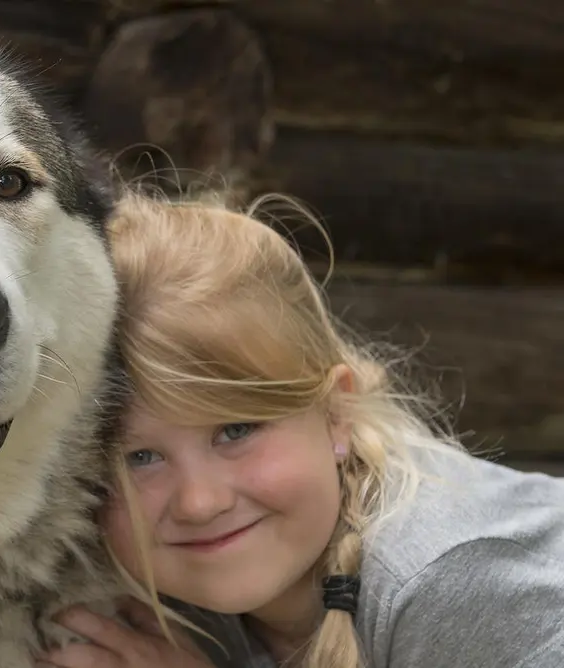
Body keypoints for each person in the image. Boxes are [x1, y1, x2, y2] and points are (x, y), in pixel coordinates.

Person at [36, 191, 564, 667]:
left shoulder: (456, 584)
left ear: (336, 412)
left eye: (236, 429)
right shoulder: (171, 597)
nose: (200, 502)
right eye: (140, 458)